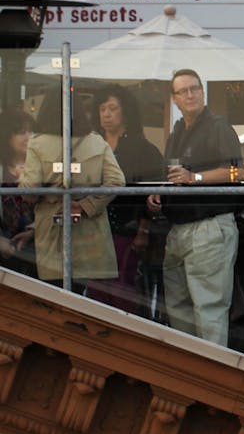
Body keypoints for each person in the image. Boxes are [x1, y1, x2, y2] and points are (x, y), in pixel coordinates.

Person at [148, 69, 244, 345]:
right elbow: (173, 175)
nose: (190, 95)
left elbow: (238, 173)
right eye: (183, 91)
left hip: (209, 226)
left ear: (203, 92)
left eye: (195, 88)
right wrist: (159, 194)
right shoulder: (178, 130)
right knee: (179, 311)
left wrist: (195, 178)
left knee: (209, 310)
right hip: (178, 228)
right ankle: (188, 379)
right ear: (174, 99)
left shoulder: (218, 126)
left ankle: (213, 382)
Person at [21, 90, 124, 293]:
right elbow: (117, 182)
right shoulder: (96, 142)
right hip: (91, 237)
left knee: (54, 298)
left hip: (52, 234)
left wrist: (43, 190)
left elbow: (29, 189)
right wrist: (85, 205)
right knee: (84, 302)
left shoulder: (37, 143)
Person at [94, 84, 164, 311]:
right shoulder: (90, 146)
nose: (106, 113)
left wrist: (143, 230)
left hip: (126, 231)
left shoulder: (143, 149)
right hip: (92, 232)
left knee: (122, 291)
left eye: (112, 108)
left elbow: (150, 195)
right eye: (102, 108)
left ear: (125, 112)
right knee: (95, 293)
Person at [0, 107, 37, 275]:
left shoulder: (42, 167)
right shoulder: (2, 169)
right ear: (7, 136)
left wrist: (34, 231)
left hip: (38, 249)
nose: (28, 137)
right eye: (21, 132)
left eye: (31, 131)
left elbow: (53, 203)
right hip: (4, 250)